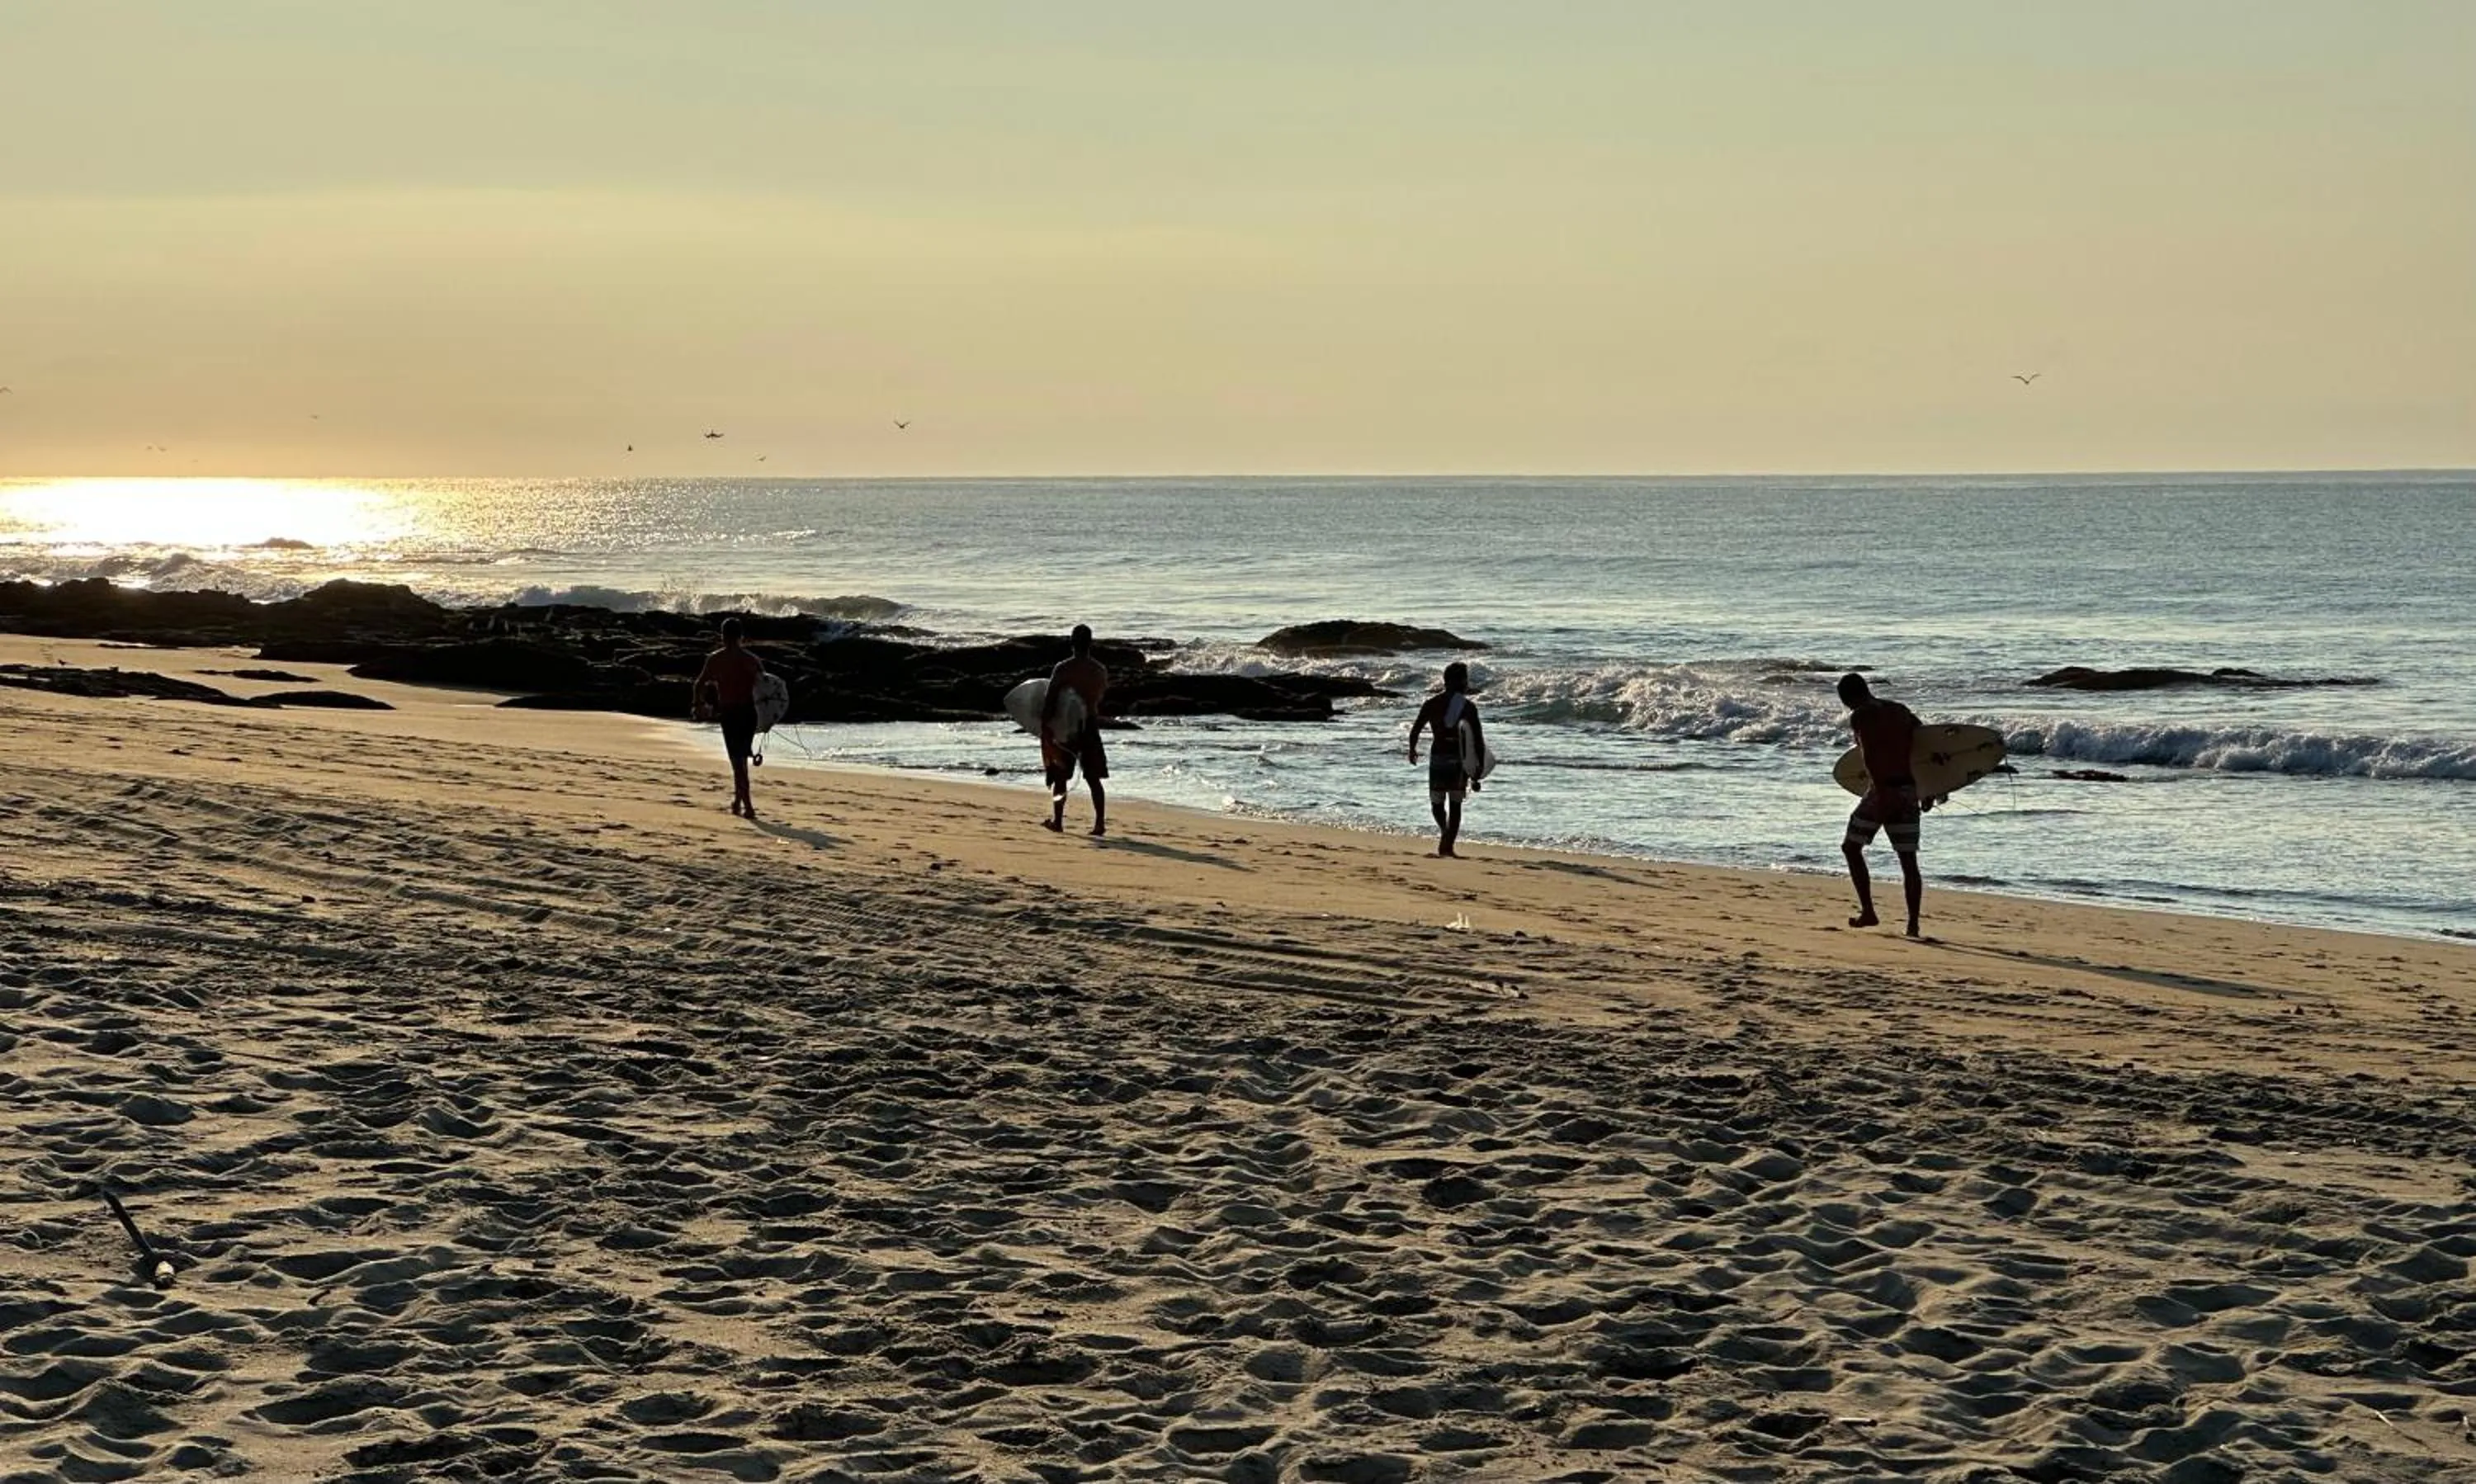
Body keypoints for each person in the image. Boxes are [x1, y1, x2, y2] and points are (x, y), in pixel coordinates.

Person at [1838, 671, 1930, 936]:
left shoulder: (1861, 715)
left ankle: (1868, 911)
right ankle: (1912, 925)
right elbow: (1925, 747)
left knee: (1851, 847)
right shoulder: (1900, 710)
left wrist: (1880, 791)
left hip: (1883, 790)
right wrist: (1930, 788)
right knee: (1908, 860)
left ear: (1846, 698)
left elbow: (1870, 755)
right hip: (1908, 790)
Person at [1406, 661, 1486, 858]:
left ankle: (1445, 835)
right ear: (1461, 681)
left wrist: (1412, 749)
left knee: (1437, 803)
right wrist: (1479, 766)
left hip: (1439, 757)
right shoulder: (1468, 707)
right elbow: (1477, 739)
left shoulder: (1432, 703)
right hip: (1458, 759)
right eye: (1465, 679)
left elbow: (1416, 729)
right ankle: (1447, 843)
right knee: (1455, 804)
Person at [692, 617, 767, 820]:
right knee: (740, 759)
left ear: (723, 636)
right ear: (741, 636)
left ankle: (748, 806)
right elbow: (767, 689)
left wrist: (699, 706)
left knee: (737, 761)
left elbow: (699, 684)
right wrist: (769, 717)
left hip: (730, 714)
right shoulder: (751, 660)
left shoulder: (716, 660)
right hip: (749, 714)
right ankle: (738, 801)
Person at [1042, 624, 1111, 836]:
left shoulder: (1063, 668)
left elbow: (1050, 699)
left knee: (1061, 775)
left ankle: (1058, 822)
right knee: (1093, 777)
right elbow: (1099, 698)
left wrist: (1046, 727)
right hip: (1089, 723)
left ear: (1071, 642)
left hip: (1066, 726)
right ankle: (1099, 824)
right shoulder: (1100, 670)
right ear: (1091, 643)